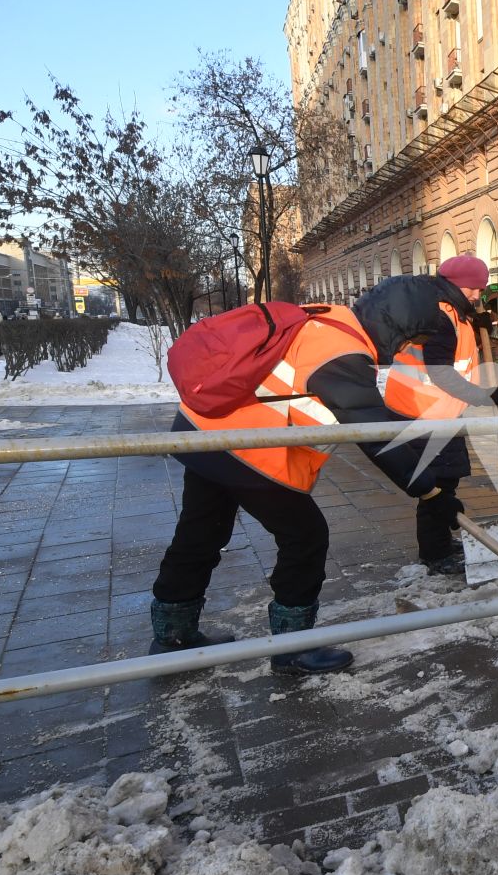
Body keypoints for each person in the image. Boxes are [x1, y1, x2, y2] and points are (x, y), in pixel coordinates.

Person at [148, 288, 459, 676]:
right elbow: (373, 431)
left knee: (200, 533)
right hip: (251, 449)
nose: (404, 350)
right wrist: (430, 491)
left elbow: (374, 417)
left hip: (208, 432)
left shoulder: (324, 321)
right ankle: (292, 646)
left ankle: (172, 636)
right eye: (411, 341)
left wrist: (428, 471)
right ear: (396, 328)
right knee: (306, 537)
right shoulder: (341, 350)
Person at [364, 255, 498, 575]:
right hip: (422, 412)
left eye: (480, 289)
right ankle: (435, 553)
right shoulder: (440, 316)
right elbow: (440, 371)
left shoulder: (450, 310)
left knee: (444, 481)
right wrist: (480, 395)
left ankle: (438, 542)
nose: (476, 295)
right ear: (454, 285)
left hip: (434, 410)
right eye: (471, 288)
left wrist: (475, 322)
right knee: (435, 486)